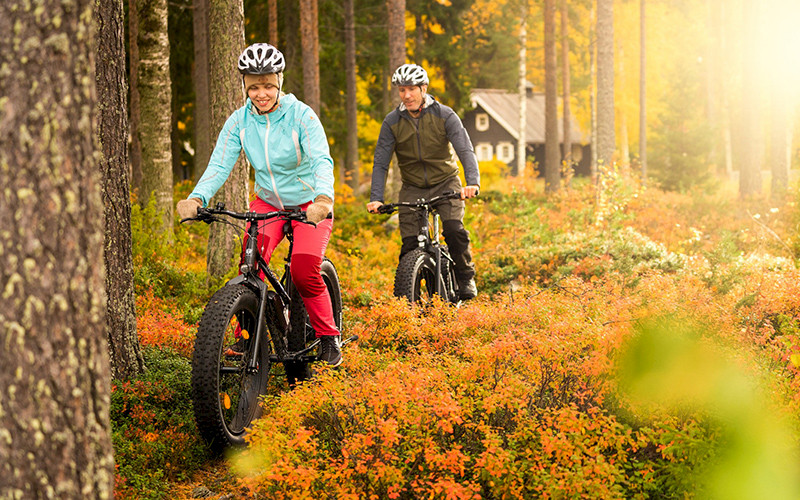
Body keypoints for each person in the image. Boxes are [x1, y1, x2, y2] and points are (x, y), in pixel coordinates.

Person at [176, 43, 342, 366]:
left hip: (310, 204)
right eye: (254, 87)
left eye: (267, 85)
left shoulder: (301, 116)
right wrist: (198, 197)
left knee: (305, 267)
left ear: (279, 81)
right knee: (249, 262)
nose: (261, 93)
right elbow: (219, 164)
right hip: (268, 202)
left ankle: (328, 335)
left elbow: (322, 159)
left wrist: (323, 199)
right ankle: (249, 334)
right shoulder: (240, 121)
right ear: (245, 87)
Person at [367, 63, 481, 300]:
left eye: (411, 89)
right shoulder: (391, 122)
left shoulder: (444, 115)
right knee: (409, 245)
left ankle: (465, 276)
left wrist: (472, 182)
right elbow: (381, 163)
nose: (406, 95)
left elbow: (465, 150)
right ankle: (409, 298)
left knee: (453, 230)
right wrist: (376, 197)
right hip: (412, 187)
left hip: (446, 182)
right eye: (401, 90)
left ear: (423, 88)